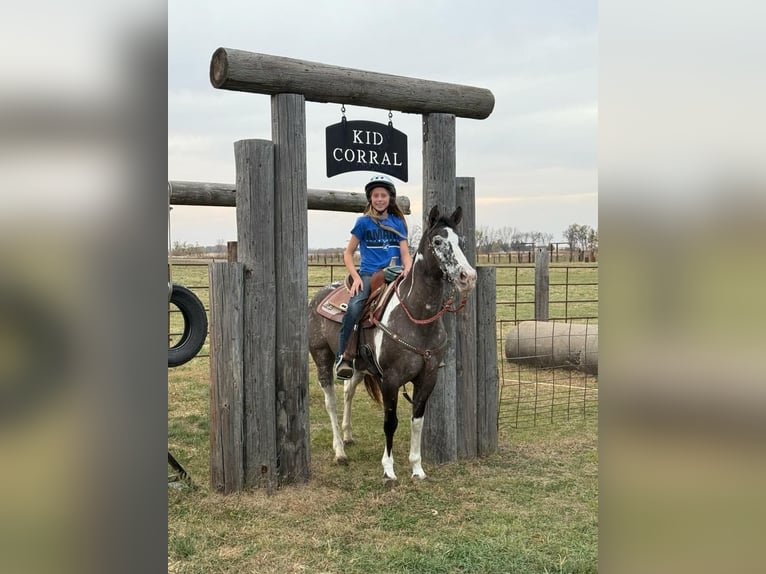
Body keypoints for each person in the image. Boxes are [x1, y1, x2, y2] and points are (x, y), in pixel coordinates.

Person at [335, 174, 412, 380]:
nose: (379, 199)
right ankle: (344, 357)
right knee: (354, 308)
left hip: (395, 274)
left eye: (383, 195)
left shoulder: (398, 223)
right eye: (376, 195)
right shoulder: (363, 223)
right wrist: (356, 277)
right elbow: (348, 253)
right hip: (371, 275)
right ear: (370, 198)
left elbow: (405, 253)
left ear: (390, 198)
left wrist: (408, 269)